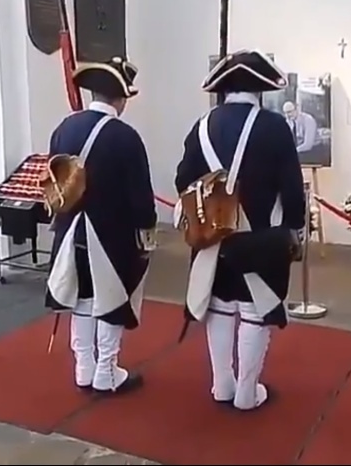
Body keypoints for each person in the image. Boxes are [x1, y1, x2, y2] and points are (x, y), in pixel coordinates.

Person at [175, 49, 306, 411]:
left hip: (212, 237)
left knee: (218, 307)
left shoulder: (201, 125)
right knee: (254, 310)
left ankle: (222, 384)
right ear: (261, 89)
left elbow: (183, 180)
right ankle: (248, 393)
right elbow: (292, 188)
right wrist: (295, 228)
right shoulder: (274, 126)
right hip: (261, 236)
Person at [46, 56, 157, 395]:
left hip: (69, 232)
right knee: (111, 300)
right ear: (121, 98)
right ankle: (106, 371)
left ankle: (84, 367)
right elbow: (140, 197)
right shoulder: (125, 136)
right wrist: (147, 229)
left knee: (79, 298)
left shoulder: (64, 128)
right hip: (112, 235)